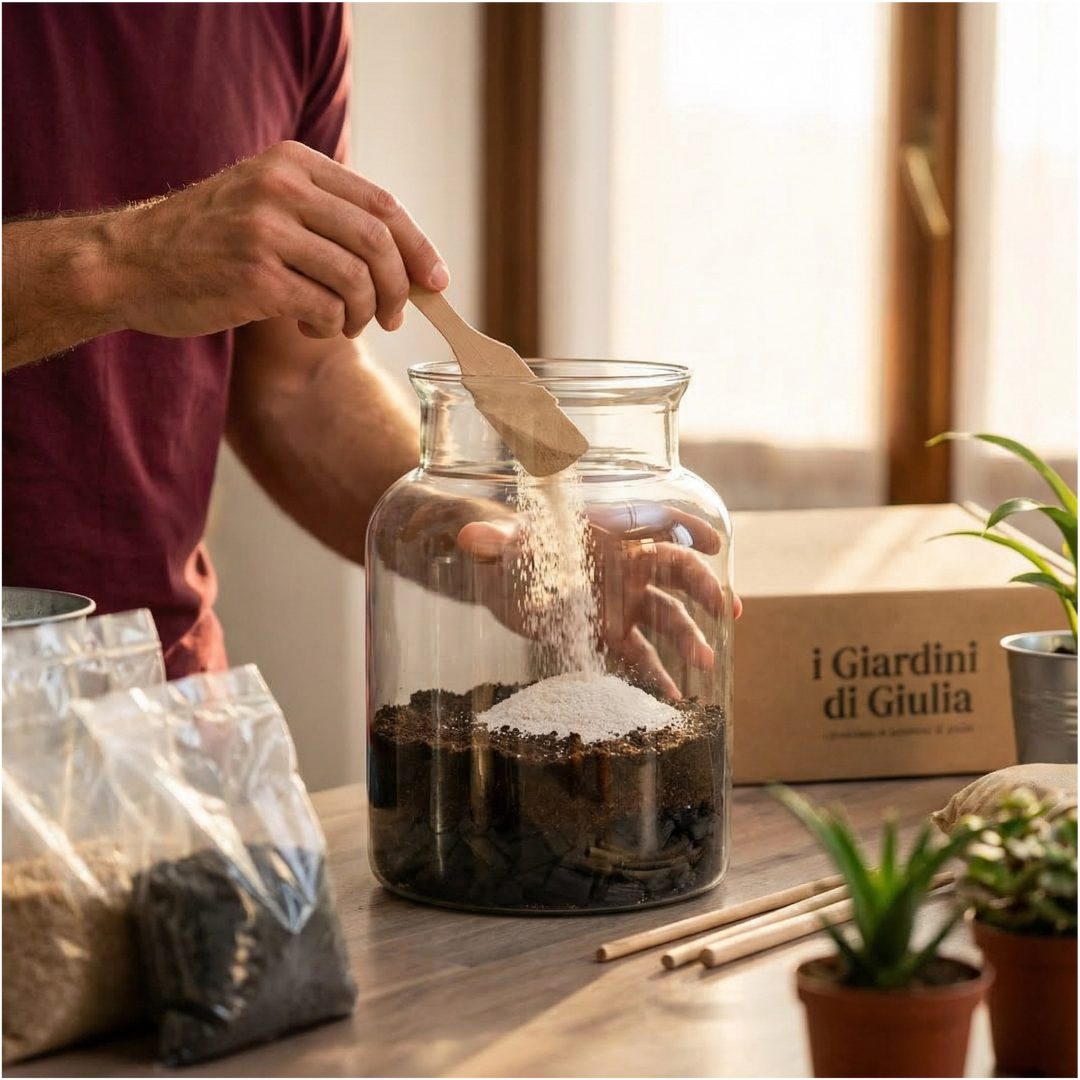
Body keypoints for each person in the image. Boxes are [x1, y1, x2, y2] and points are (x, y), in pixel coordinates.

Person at [0, 1, 732, 689]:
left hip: (164, 695)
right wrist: (120, 262)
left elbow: (298, 385)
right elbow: (141, 269)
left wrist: (499, 541)